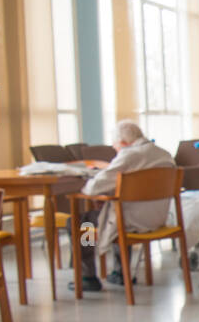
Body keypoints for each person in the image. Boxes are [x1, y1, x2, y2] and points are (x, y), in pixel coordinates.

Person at [72, 120, 176, 292]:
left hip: (130, 221)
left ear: (123, 143)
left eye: (116, 148)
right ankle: (121, 272)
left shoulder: (128, 155)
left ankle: (87, 275)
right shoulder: (164, 154)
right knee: (116, 214)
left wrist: (88, 184)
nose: (116, 152)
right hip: (158, 219)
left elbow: (94, 188)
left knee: (83, 223)